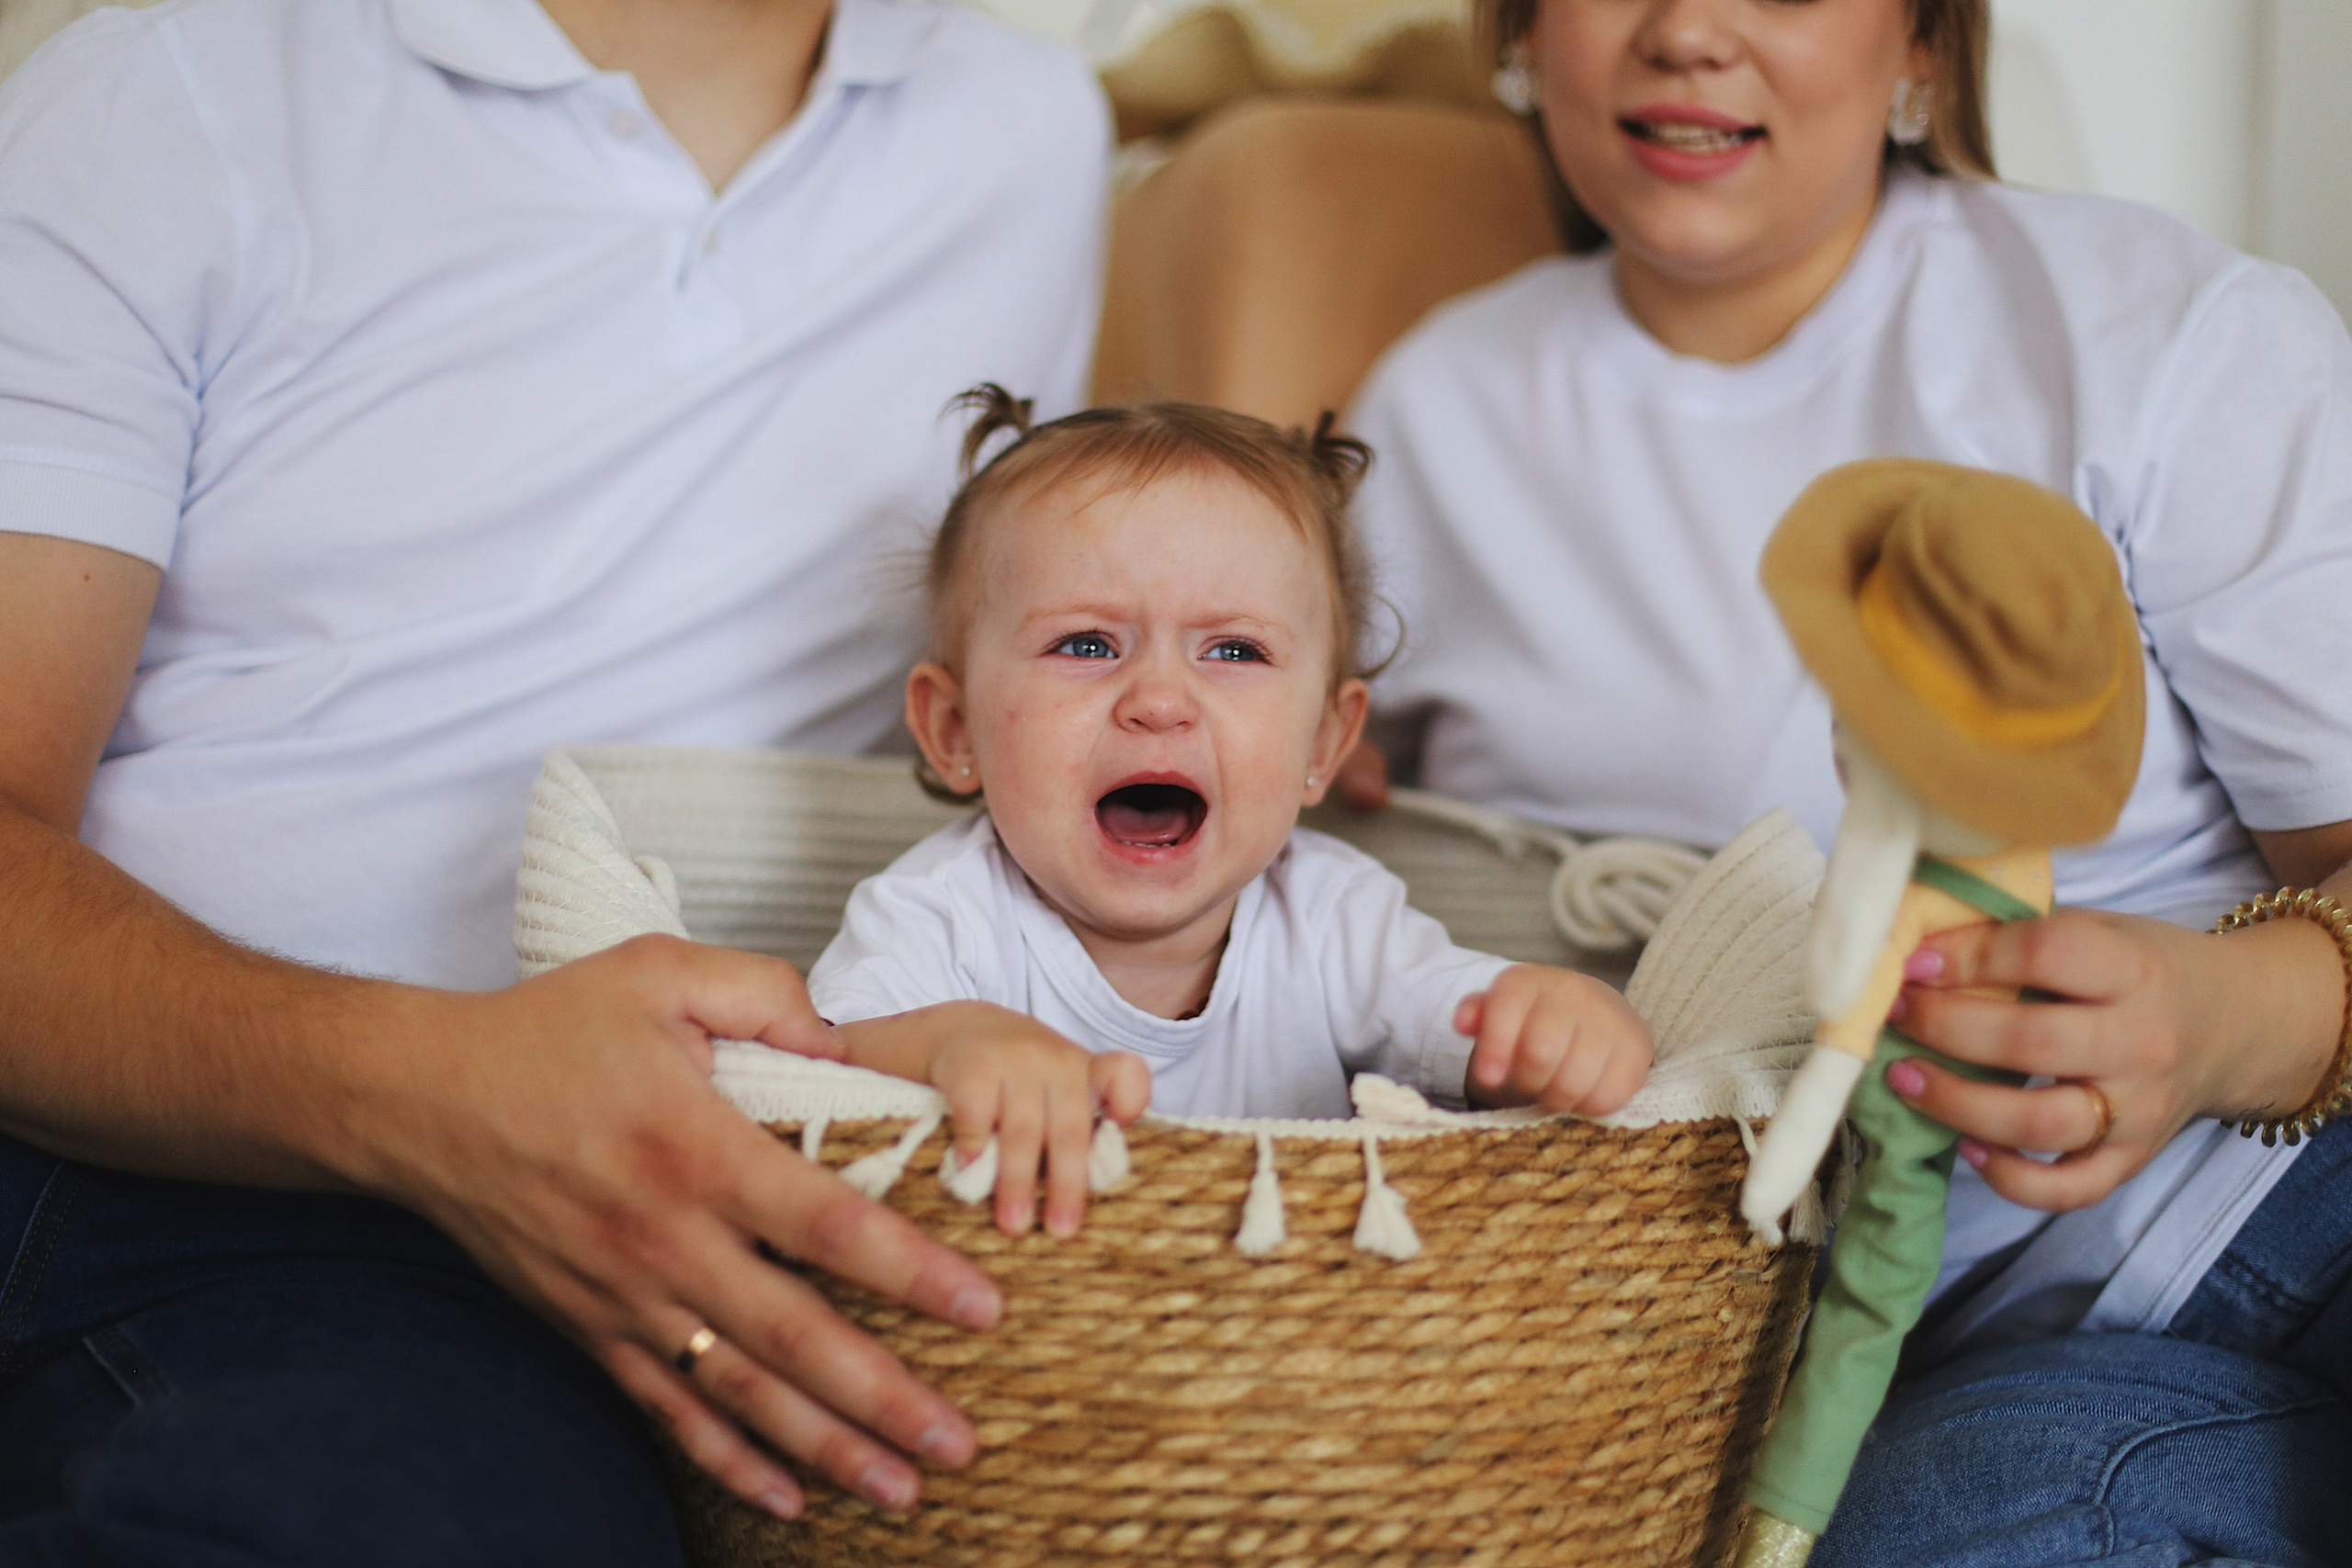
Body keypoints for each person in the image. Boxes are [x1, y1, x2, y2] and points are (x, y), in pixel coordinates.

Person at [0, 0, 1105, 1557]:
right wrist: (439, 1093)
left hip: (752, 1152)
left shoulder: (1024, 126)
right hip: (215, 1147)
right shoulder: (175, 89)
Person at [1340, 0, 2352, 1560]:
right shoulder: (1429, 415)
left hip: (2278, 1197)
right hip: (1874, 1337)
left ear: (1926, 52)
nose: (1688, 32)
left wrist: (2229, 1019)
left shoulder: (2159, 333)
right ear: (1525, 29)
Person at [805, 388, 1655, 1239]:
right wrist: (955, 1042)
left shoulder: (1336, 918)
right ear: (955, 730)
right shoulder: (935, 912)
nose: (1161, 699)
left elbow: (1481, 1031)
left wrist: (1561, 1024)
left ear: (1324, 741)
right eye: (1088, 644)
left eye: (1234, 649)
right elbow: (819, 1061)